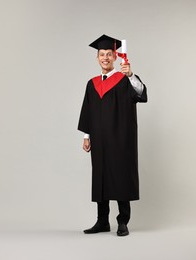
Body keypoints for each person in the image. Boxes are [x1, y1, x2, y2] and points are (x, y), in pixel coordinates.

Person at [78, 34, 147, 236]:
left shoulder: (124, 80)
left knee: (120, 176)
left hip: (120, 139)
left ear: (115, 57)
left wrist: (131, 75)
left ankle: (123, 221)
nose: (105, 57)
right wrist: (86, 136)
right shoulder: (92, 84)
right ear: (97, 58)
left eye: (109, 54)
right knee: (100, 177)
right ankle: (102, 221)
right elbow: (87, 111)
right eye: (102, 54)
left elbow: (141, 94)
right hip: (99, 140)